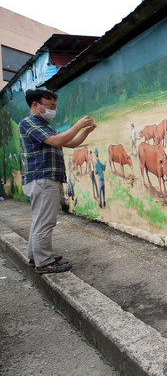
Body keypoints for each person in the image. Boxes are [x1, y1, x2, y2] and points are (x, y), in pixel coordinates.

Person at [19, 88, 96, 274]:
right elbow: (56, 140)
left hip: (44, 179)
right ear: (35, 105)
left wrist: (85, 132)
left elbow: (69, 142)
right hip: (42, 179)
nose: (53, 109)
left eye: (55, 106)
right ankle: (44, 263)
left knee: (40, 220)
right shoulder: (29, 123)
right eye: (50, 105)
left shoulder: (43, 124)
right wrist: (77, 125)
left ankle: (34, 257)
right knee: (45, 222)